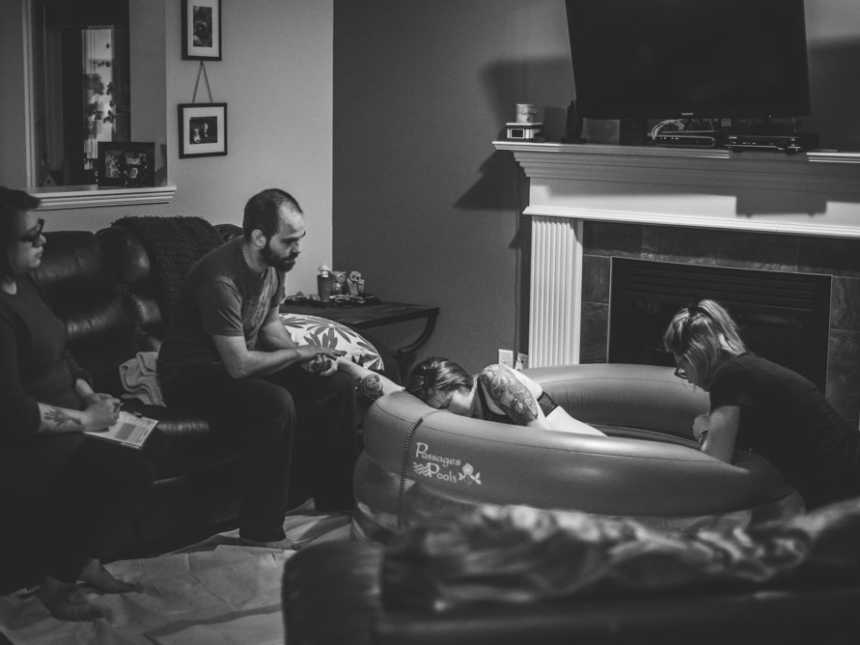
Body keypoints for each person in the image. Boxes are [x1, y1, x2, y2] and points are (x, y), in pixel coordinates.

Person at [157, 188, 357, 549]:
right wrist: (299, 355)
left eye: (300, 239)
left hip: (236, 362)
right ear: (259, 237)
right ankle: (261, 532)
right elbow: (239, 366)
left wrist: (308, 356)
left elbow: (270, 328)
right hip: (191, 375)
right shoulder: (221, 279)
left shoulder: (274, 265)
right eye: (289, 240)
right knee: (274, 402)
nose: (297, 249)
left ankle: (336, 501)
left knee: (337, 385)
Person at [0, 187, 152, 620]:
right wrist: (86, 420)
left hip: (76, 414)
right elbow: (14, 413)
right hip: (29, 441)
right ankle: (58, 582)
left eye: (41, 231)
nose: (43, 242)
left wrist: (90, 393)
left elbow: (63, 348)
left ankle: (82, 559)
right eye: (31, 236)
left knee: (146, 447)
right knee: (128, 472)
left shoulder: (25, 283)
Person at [663, 299, 860, 509]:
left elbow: (715, 462)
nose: (686, 377)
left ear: (695, 354)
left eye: (681, 366)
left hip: (844, 488)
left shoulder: (728, 377)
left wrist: (703, 429)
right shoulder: (747, 369)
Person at [337, 356, 605, 436]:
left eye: (448, 404)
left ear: (462, 384)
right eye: (439, 409)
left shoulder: (496, 382)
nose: (448, 415)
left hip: (592, 458)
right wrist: (343, 365)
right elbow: (393, 394)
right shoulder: (444, 401)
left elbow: (546, 442)